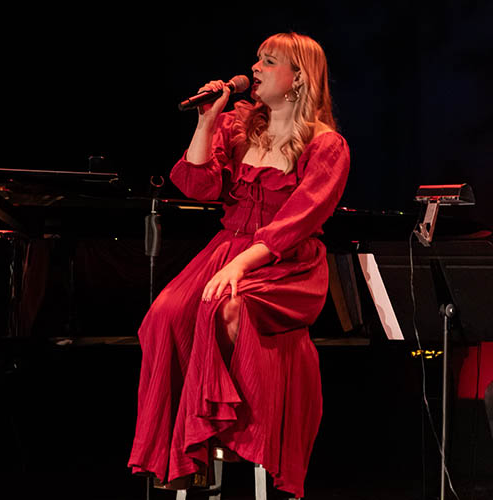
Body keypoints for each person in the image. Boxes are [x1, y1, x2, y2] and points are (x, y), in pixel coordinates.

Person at [128, 33, 350, 498]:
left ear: (297, 78)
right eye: (258, 59)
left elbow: (298, 220)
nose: (256, 67)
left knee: (227, 309)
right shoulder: (239, 124)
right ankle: (186, 450)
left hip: (285, 263)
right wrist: (206, 123)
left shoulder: (326, 145)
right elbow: (198, 186)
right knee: (163, 316)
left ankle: (227, 435)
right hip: (226, 248)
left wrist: (241, 267)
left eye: (269, 62)